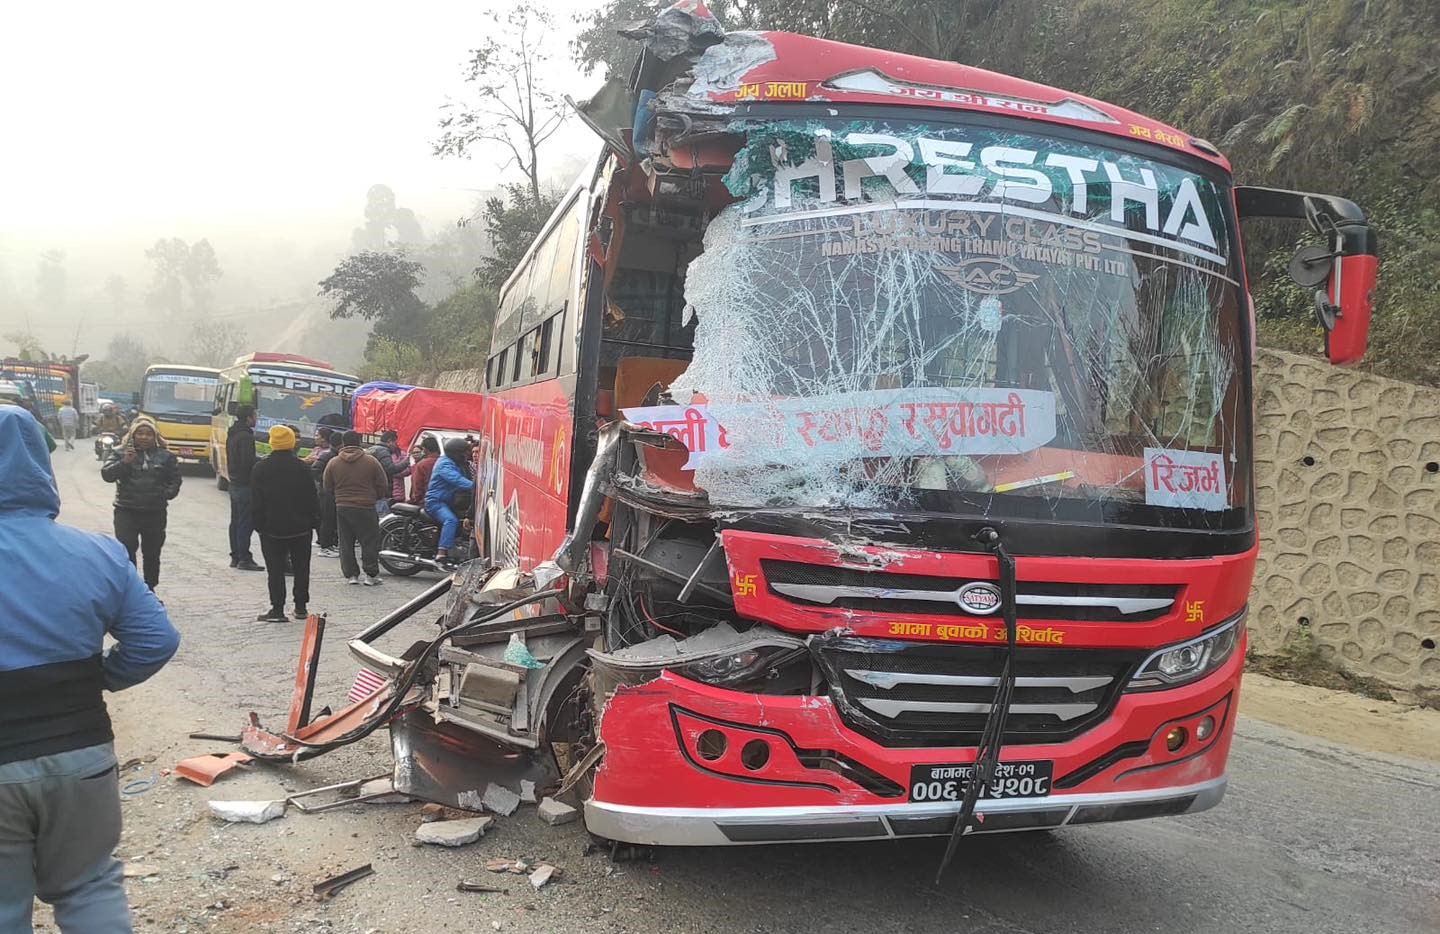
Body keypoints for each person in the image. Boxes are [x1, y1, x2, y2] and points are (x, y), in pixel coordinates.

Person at [0, 406, 180, 933]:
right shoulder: (96, 553)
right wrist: (94, 677)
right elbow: (156, 641)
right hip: (82, 756)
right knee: (88, 887)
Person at [99, 415, 181, 592]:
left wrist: (164, 494)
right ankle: (132, 589)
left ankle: (150, 588)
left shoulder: (166, 456)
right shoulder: (120, 452)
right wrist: (125, 463)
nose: (144, 437)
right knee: (126, 550)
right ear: (132, 435)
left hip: (154, 512)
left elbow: (175, 480)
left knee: (152, 552)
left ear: (155, 437)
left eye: (148, 434)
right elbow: (107, 475)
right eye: (140, 433)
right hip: (126, 510)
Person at [250, 425, 320, 622]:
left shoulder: (261, 468)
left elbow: (256, 501)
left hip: (272, 529)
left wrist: (259, 525)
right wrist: (314, 521)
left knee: (275, 570)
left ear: (272, 442)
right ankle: (300, 607)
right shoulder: (302, 467)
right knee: (301, 568)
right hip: (301, 528)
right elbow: (312, 497)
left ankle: (278, 609)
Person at [322, 430, 389, 586]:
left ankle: (351, 575)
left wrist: (339, 497)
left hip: (343, 506)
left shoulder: (333, 462)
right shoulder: (371, 461)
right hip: (366, 506)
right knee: (369, 541)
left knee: (345, 541)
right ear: (359, 442)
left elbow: (327, 486)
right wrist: (375, 497)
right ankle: (371, 575)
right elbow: (382, 484)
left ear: (343, 443)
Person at [425, 438, 476, 566]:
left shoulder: (455, 463)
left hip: (448, 501)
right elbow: (457, 480)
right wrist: (477, 487)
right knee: (451, 520)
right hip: (436, 502)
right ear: (455, 453)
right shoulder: (445, 464)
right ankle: (441, 553)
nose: (465, 456)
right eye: (463, 453)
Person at [225, 406, 264, 572]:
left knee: (235, 521)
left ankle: (235, 556)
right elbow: (248, 461)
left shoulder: (232, 434)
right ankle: (244, 558)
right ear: (248, 418)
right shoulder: (246, 437)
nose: (256, 418)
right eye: (255, 415)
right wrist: (262, 463)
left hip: (233, 482)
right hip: (245, 484)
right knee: (245, 522)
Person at [367, 430, 410, 515]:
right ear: (390, 441)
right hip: (380, 493)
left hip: (371, 491)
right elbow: (390, 469)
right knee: (382, 517)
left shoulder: (372, 449)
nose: (396, 445)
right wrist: (406, 462)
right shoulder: (383, 451)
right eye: (395, 442)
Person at [408, 435, 440, 506]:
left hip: (426, 501)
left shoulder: (422, 464)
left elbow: (418, 485)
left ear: (425, 449)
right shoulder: (444, 462)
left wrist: (416, 499)